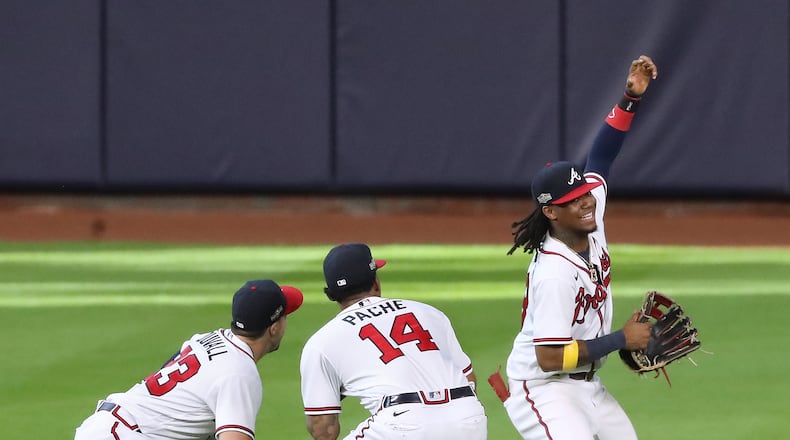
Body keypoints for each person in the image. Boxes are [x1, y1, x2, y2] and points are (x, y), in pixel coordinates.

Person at [495, 55, 658, 439]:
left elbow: (602, 155)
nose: (586, 202)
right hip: (543, 388)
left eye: (585, 193)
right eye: (574, 200)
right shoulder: (554, 272)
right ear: (551, 211)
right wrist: (621, 338)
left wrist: (630, 99)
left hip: (588, 385)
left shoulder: (591, 213)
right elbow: (549, 358)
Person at [300, 243, 487, 440]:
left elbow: (323, 429)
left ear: (331, 295)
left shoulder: (321, 342)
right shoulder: (429, 312)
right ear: (376, 283)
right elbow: (469, 379)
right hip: (468, 417)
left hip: (401, 425)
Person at [74, 279, 303, 440]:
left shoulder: (207, 339)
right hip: (125, 434)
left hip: (105, 426)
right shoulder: (240, 373)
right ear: (273, 328)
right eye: (285, 316)